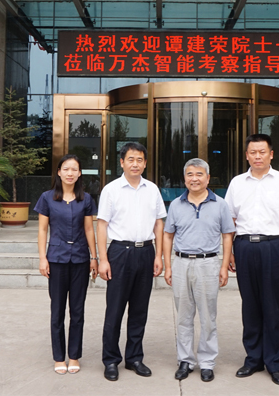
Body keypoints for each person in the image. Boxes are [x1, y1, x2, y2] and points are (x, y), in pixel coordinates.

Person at [225, 133, 279, 386]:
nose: (257, 156)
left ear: (271, 154)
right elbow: (230, 220)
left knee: (272, 306)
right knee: (249, 305)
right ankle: (253, 359)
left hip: (274, 247)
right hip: (245, 246)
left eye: (262, 152)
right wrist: (230, 252)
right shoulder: (237, 183)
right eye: (253, 152)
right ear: (246, 155)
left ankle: (274, 362)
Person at [97, 142, 167, 381]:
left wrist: (158, 255)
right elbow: (102, 225)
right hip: (119, 253)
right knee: (115, 310)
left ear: (145, 163)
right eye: (130, 159)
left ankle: (134, 358)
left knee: (139, 310)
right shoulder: (111, 190)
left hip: (145, 252)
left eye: (139, 160)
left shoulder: (152, 189)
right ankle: (110, 360)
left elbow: (159, 223)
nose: (135, 164)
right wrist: (103, 259)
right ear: (122, 162)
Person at [163, 158, 235, 382]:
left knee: (208, 317)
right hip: (181, 263)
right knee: (183, 316)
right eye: (190, 174)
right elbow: (168, 235)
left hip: (208, 263)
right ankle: (185, 360)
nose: (194, 179)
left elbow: (227, 235)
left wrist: (224, 266)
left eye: (199, 174)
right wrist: (168, 266)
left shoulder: (220, 204)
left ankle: (207, 362)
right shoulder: (176, 205)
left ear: (208, 178)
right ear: (184, 178)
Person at [35, 154, 98, 375]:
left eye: (74, 169)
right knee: (57, 311)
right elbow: (42, 229)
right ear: (59, 172)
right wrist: (42, 258)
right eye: (66, 169)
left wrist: (94, 257)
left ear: (80, 173)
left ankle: (74, 356)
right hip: (56, 259)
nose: (70, 173)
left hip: (80, 259)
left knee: (78, 311)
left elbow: (89, 229)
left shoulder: (86, 199)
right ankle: (59, 357)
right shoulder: (47, 198)